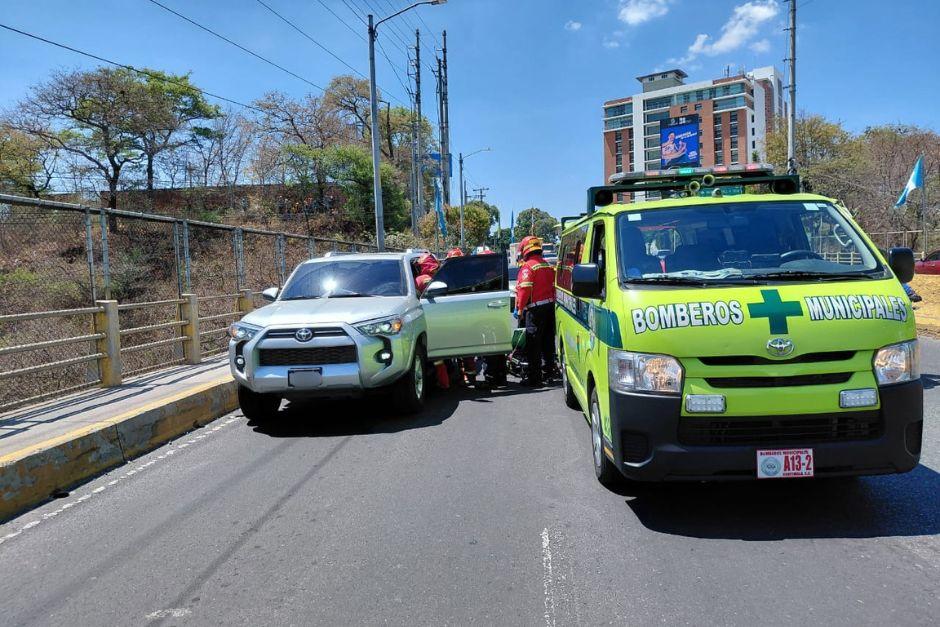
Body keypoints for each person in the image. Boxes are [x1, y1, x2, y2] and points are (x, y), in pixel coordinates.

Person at [515, 236, 557, 386]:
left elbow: (524, 290)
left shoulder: (528, 267)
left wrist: (519, 309)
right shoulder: (546, 265)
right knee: (548, 341)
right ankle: (549, 372)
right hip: (549, 307)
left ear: (525, 251)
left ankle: (535, 378)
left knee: (533, 343)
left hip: (535, 310)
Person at [413, 253, 451, 389]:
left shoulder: (421, 279)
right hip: (445, 317)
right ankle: (451, 379)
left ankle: (443, 383)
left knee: (436, 357)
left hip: (428, 321)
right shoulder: (442, 275)